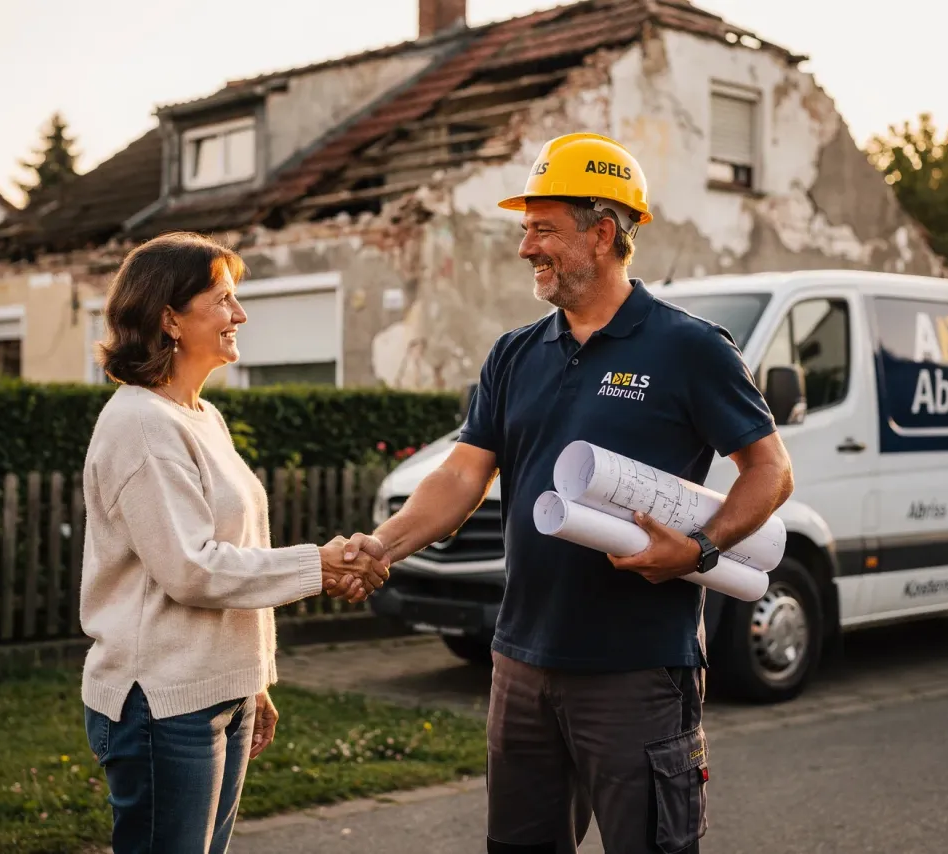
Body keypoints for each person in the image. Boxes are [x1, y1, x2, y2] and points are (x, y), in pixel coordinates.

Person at [344, 133, 794, 853]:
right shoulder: (515, 353)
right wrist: (382, 546)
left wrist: (701, 548)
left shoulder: (689, 348)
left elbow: (770, 470)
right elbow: (462, 475)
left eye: (543, 228)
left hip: (637, 668)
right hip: (521, 661)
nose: (526, 247)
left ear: (603, 232)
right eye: (525, 229)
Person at [78, 231, 388, 854]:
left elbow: (234, 545)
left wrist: (253, 677)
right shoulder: (140, 424)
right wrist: (319, 566)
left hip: (218, 689)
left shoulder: (201, 417)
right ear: (169, 317)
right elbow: (192, 569)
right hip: (162, 703)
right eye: (222, 299)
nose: (239, 315)